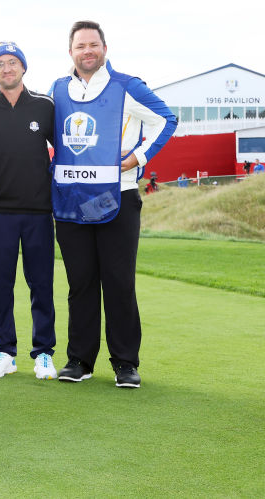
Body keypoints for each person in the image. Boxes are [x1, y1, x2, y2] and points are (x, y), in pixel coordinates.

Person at [52, 20, 176, 388]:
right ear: (70, 51)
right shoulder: (58, 89)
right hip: (73, 199)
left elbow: (165, 120)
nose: (87, 51)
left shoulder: (126, 86)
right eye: (80, 45)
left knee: (118, 281)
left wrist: (137, 158)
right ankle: (80, 360)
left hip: (116, 196)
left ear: (104, 48)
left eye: (93, 44)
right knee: (81, 282)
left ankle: (125, 362)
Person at [0, 41, 57, 380]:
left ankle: (44, 352)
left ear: (23, 67)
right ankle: (5, 352)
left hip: (38, 212)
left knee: (41, 284)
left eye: (13, 62)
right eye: (0, 64)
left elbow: (66, 151)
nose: (7, 68)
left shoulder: (46, 106)